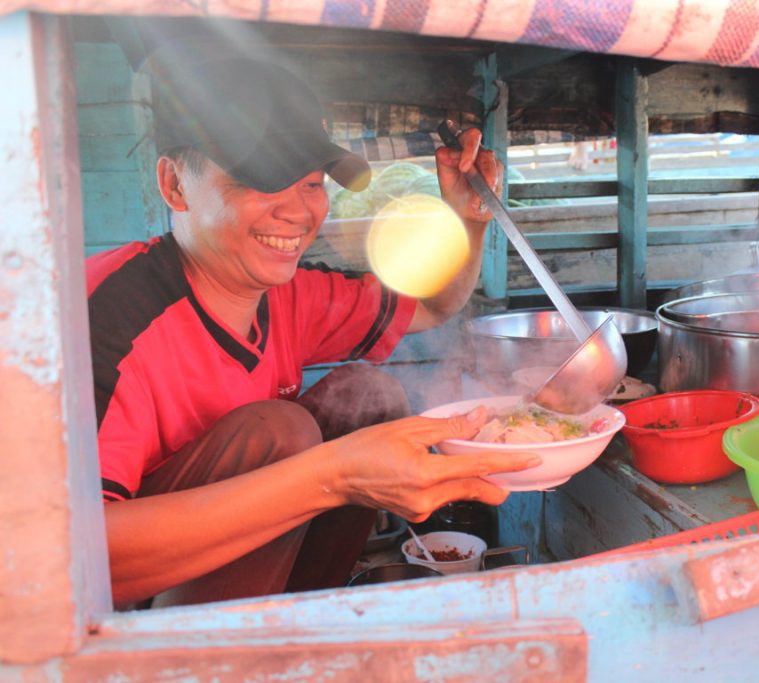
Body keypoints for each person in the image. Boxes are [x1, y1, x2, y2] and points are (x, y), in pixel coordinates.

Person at [87, 55, 538, 609]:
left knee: (372, 398)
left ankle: (305, 618)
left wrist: (467, 219)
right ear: (175, 185)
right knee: (279, 433)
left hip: (248, 579)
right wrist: (334, 475)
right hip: (125, 615)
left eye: (310, 182)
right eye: (261, 179)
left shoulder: (291, 294)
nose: (298, 211)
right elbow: (69, 562)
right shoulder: (102, 318)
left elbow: (434, 305)